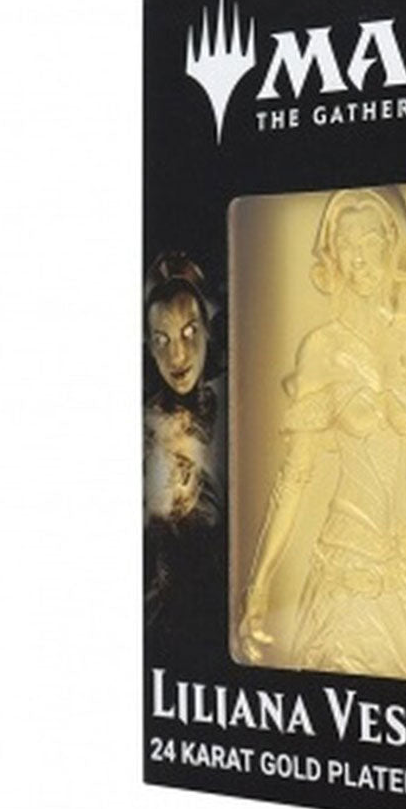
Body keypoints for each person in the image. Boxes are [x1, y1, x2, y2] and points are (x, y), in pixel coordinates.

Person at [238, 186, 406, 687]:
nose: (360, 257)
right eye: (347, 245)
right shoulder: (321, 351)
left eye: (370, 240)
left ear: (395, 246)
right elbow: (294, 480)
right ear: (332, 257)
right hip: (349, 580)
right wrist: (257, 587)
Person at [143, 251, 225, 642]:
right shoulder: (144, 424)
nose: (176, 356)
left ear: (209, 328)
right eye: (162, 340)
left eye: (189, 332)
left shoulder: (236, 403)